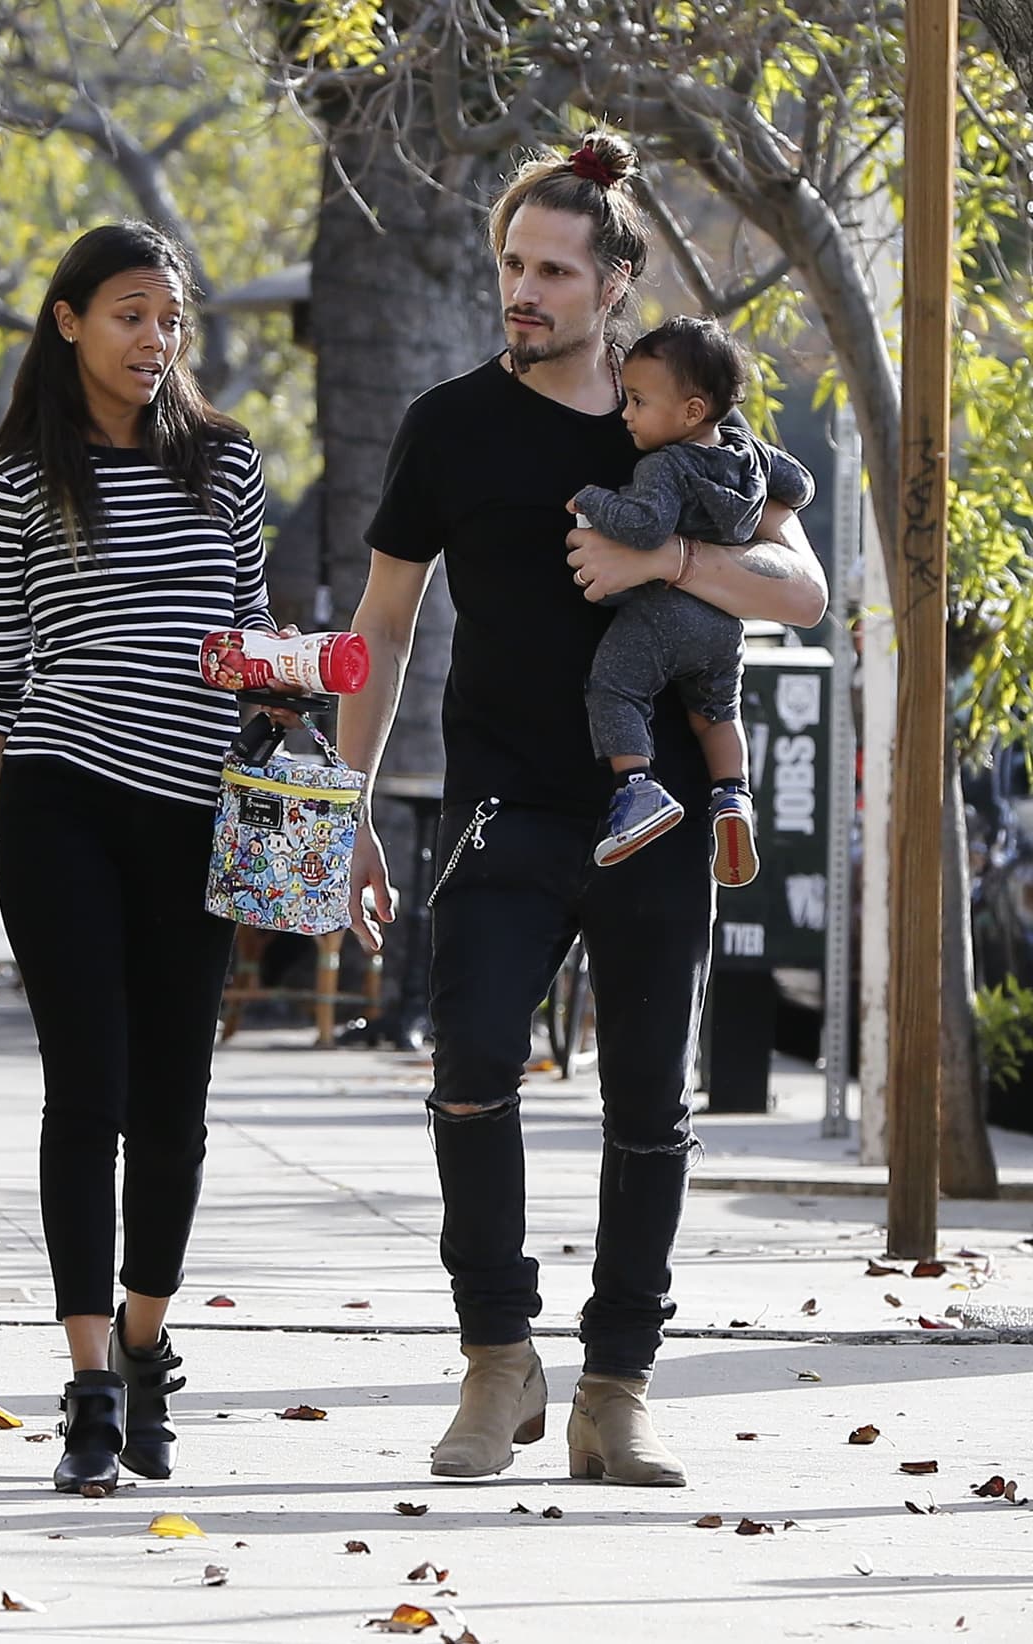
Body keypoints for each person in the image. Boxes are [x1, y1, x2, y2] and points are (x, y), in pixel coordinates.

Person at [339, 132, 827, 1487]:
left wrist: (662, 555)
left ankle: (619, 1387)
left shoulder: (693, 425)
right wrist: (349, 806)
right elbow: (382, 623)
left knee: (648, 1102)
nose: (525, 289)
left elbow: (806, 595)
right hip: (507, 801)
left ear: (618, 281)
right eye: (512, 263)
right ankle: (501, 1359)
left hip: (656, 810)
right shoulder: (450, 425)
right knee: (470, 1062)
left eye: (555, 268)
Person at [0, 220, 280, 1495]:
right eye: (130, 313)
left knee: (174, 1106)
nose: (154, 338)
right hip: (61, 801)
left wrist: (281, 679)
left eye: (169, 318)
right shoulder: (14, 482)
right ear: (68, 319)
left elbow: (248, 641)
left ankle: (145, 1340)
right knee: (86, 1092)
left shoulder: (228, 464)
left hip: (196, 813)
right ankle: (88, 1381)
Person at [570, 315, 815, 884]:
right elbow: (801, 486)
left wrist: (596, 500)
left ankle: (636, 790)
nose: (626, 414)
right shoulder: (747, 451)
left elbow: (647, 527)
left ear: (691, 412)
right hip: (725, 625)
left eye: (637, 401)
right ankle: (732, 798)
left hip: (663, 614)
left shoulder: (664, 464)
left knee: (614, 688)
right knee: (717, 716)